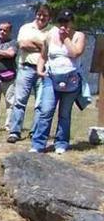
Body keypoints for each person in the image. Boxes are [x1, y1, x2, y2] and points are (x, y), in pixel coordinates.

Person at [30, 10, 86, 154]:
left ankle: (61, 142)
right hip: (51, 77)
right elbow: (43, 55)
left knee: (65, 113)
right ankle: (38, 144)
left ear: (72, 22)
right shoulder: (50, 36)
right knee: (46, 110)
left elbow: (75, 53)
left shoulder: (79, 36)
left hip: (71, 78)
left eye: (66, 22)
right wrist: (39, 70)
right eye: (61, 22)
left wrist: (66, 38)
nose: (63, 25)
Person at [7, 4, 53, 143]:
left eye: (45, 15)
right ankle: (15, 131)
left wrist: (36, 43)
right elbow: (23, 45)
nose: (41, 17)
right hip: (26, 68)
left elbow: (52, 49)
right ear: (36, 14)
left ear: (49, 17)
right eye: (39, 14)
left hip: (44, 70)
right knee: (19, 101)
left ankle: (36, 132)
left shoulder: (53, 31)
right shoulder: (26, 28)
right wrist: (43, 46)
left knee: (40, 104)